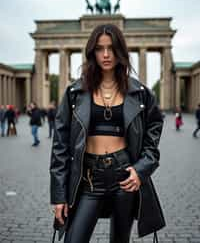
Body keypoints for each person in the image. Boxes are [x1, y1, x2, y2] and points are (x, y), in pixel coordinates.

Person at [50, 24, 165, 243]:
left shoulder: (139, 93)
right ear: (92, 52)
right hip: (89, 179)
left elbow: (154, 132)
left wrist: (141, 170)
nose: (105, 54)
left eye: (111, 48)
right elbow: (60, 147)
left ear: (120, 51)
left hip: (124, 177)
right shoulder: (75, 93)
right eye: (99, 48)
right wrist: (59, 196)